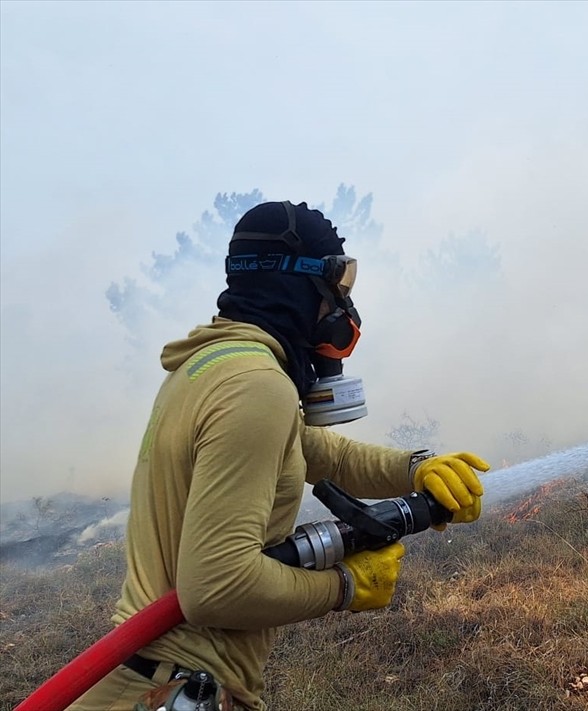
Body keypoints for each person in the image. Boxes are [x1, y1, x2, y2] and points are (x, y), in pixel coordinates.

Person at [68, 201, 490, 711]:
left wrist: (416, 467)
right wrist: (345, 586)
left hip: (146, 678)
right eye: (339, 283)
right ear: (299, 284)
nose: (342, 307)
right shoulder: (255, 386)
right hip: (175, 687)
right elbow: (216, 588)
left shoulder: (210, 367)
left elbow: (319, 452)